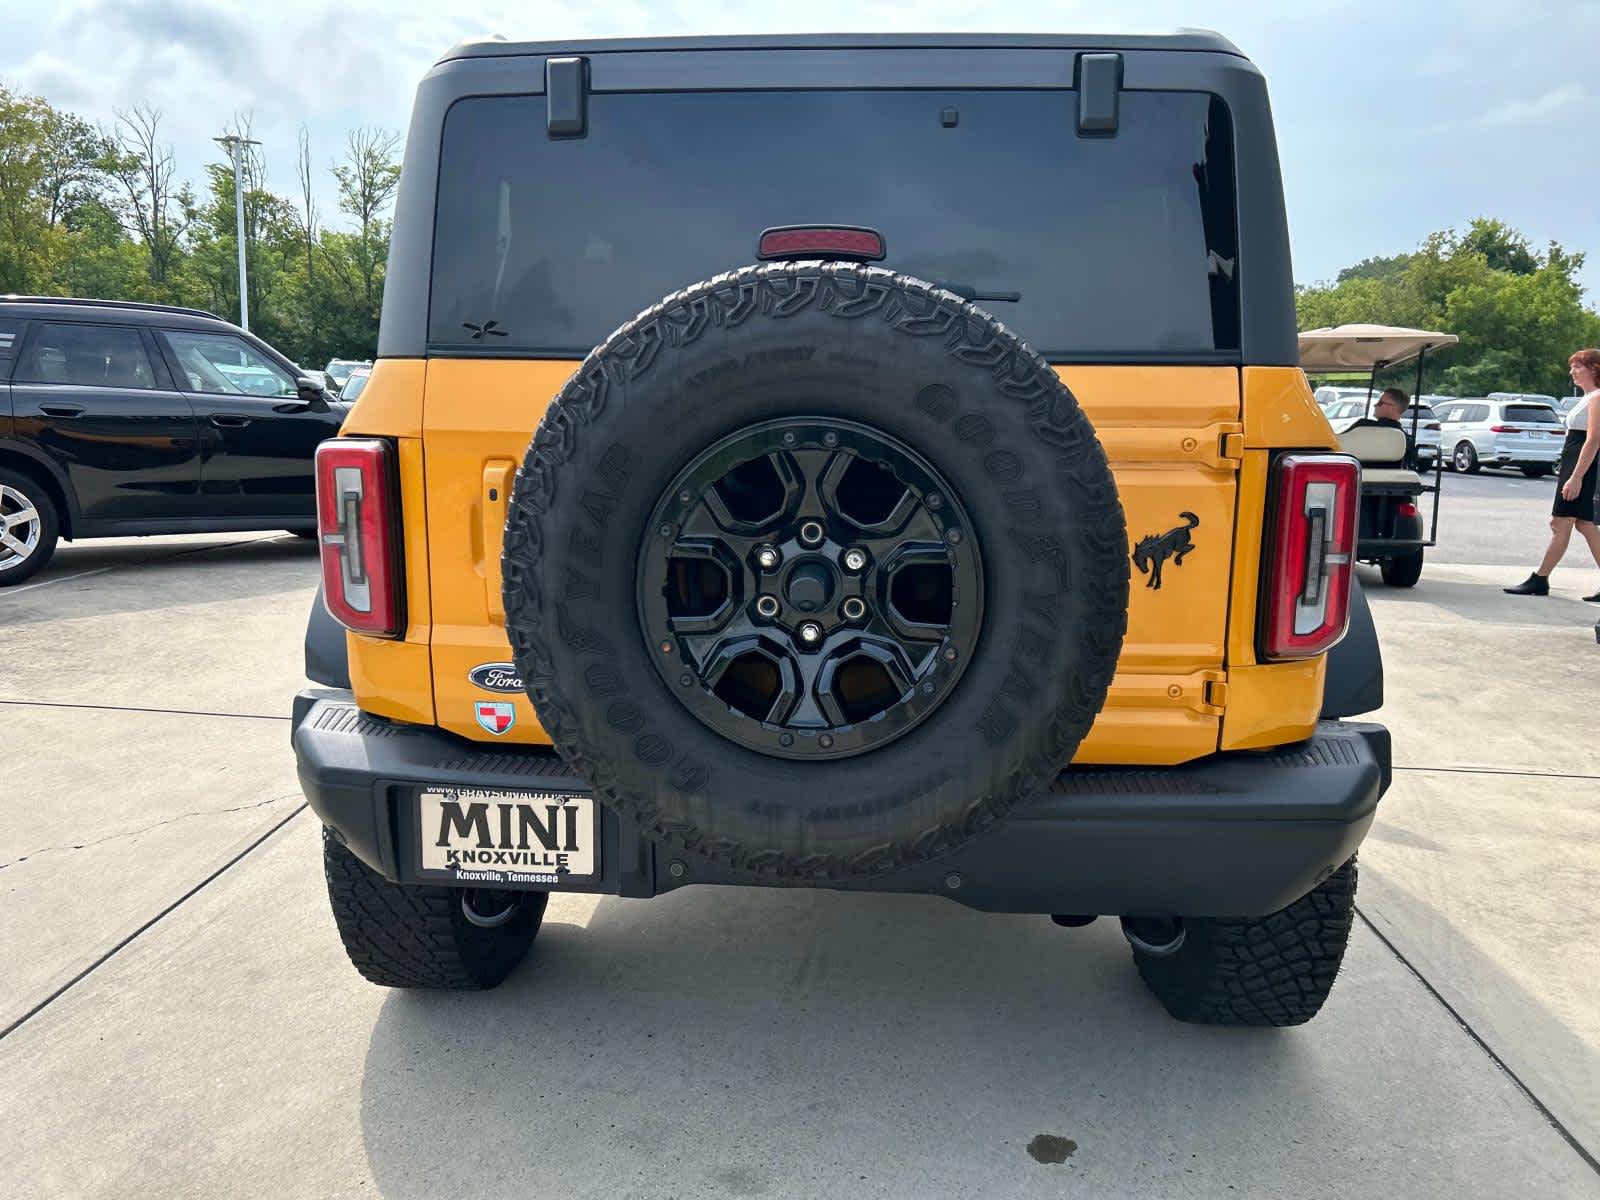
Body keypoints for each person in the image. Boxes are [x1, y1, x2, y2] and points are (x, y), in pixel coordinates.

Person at [1504, 349, 1600, 600]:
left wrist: (1577, 476)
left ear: (1594, 369)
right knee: (1583, 524)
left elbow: (1593, 440)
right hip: (1575, 464)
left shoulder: (1597, 397)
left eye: (1577, 367)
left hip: (1580, 466)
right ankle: (1540, 579)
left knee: (1561, 523)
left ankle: (1540, 579)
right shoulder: (1589, 396)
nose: (1572, 372)